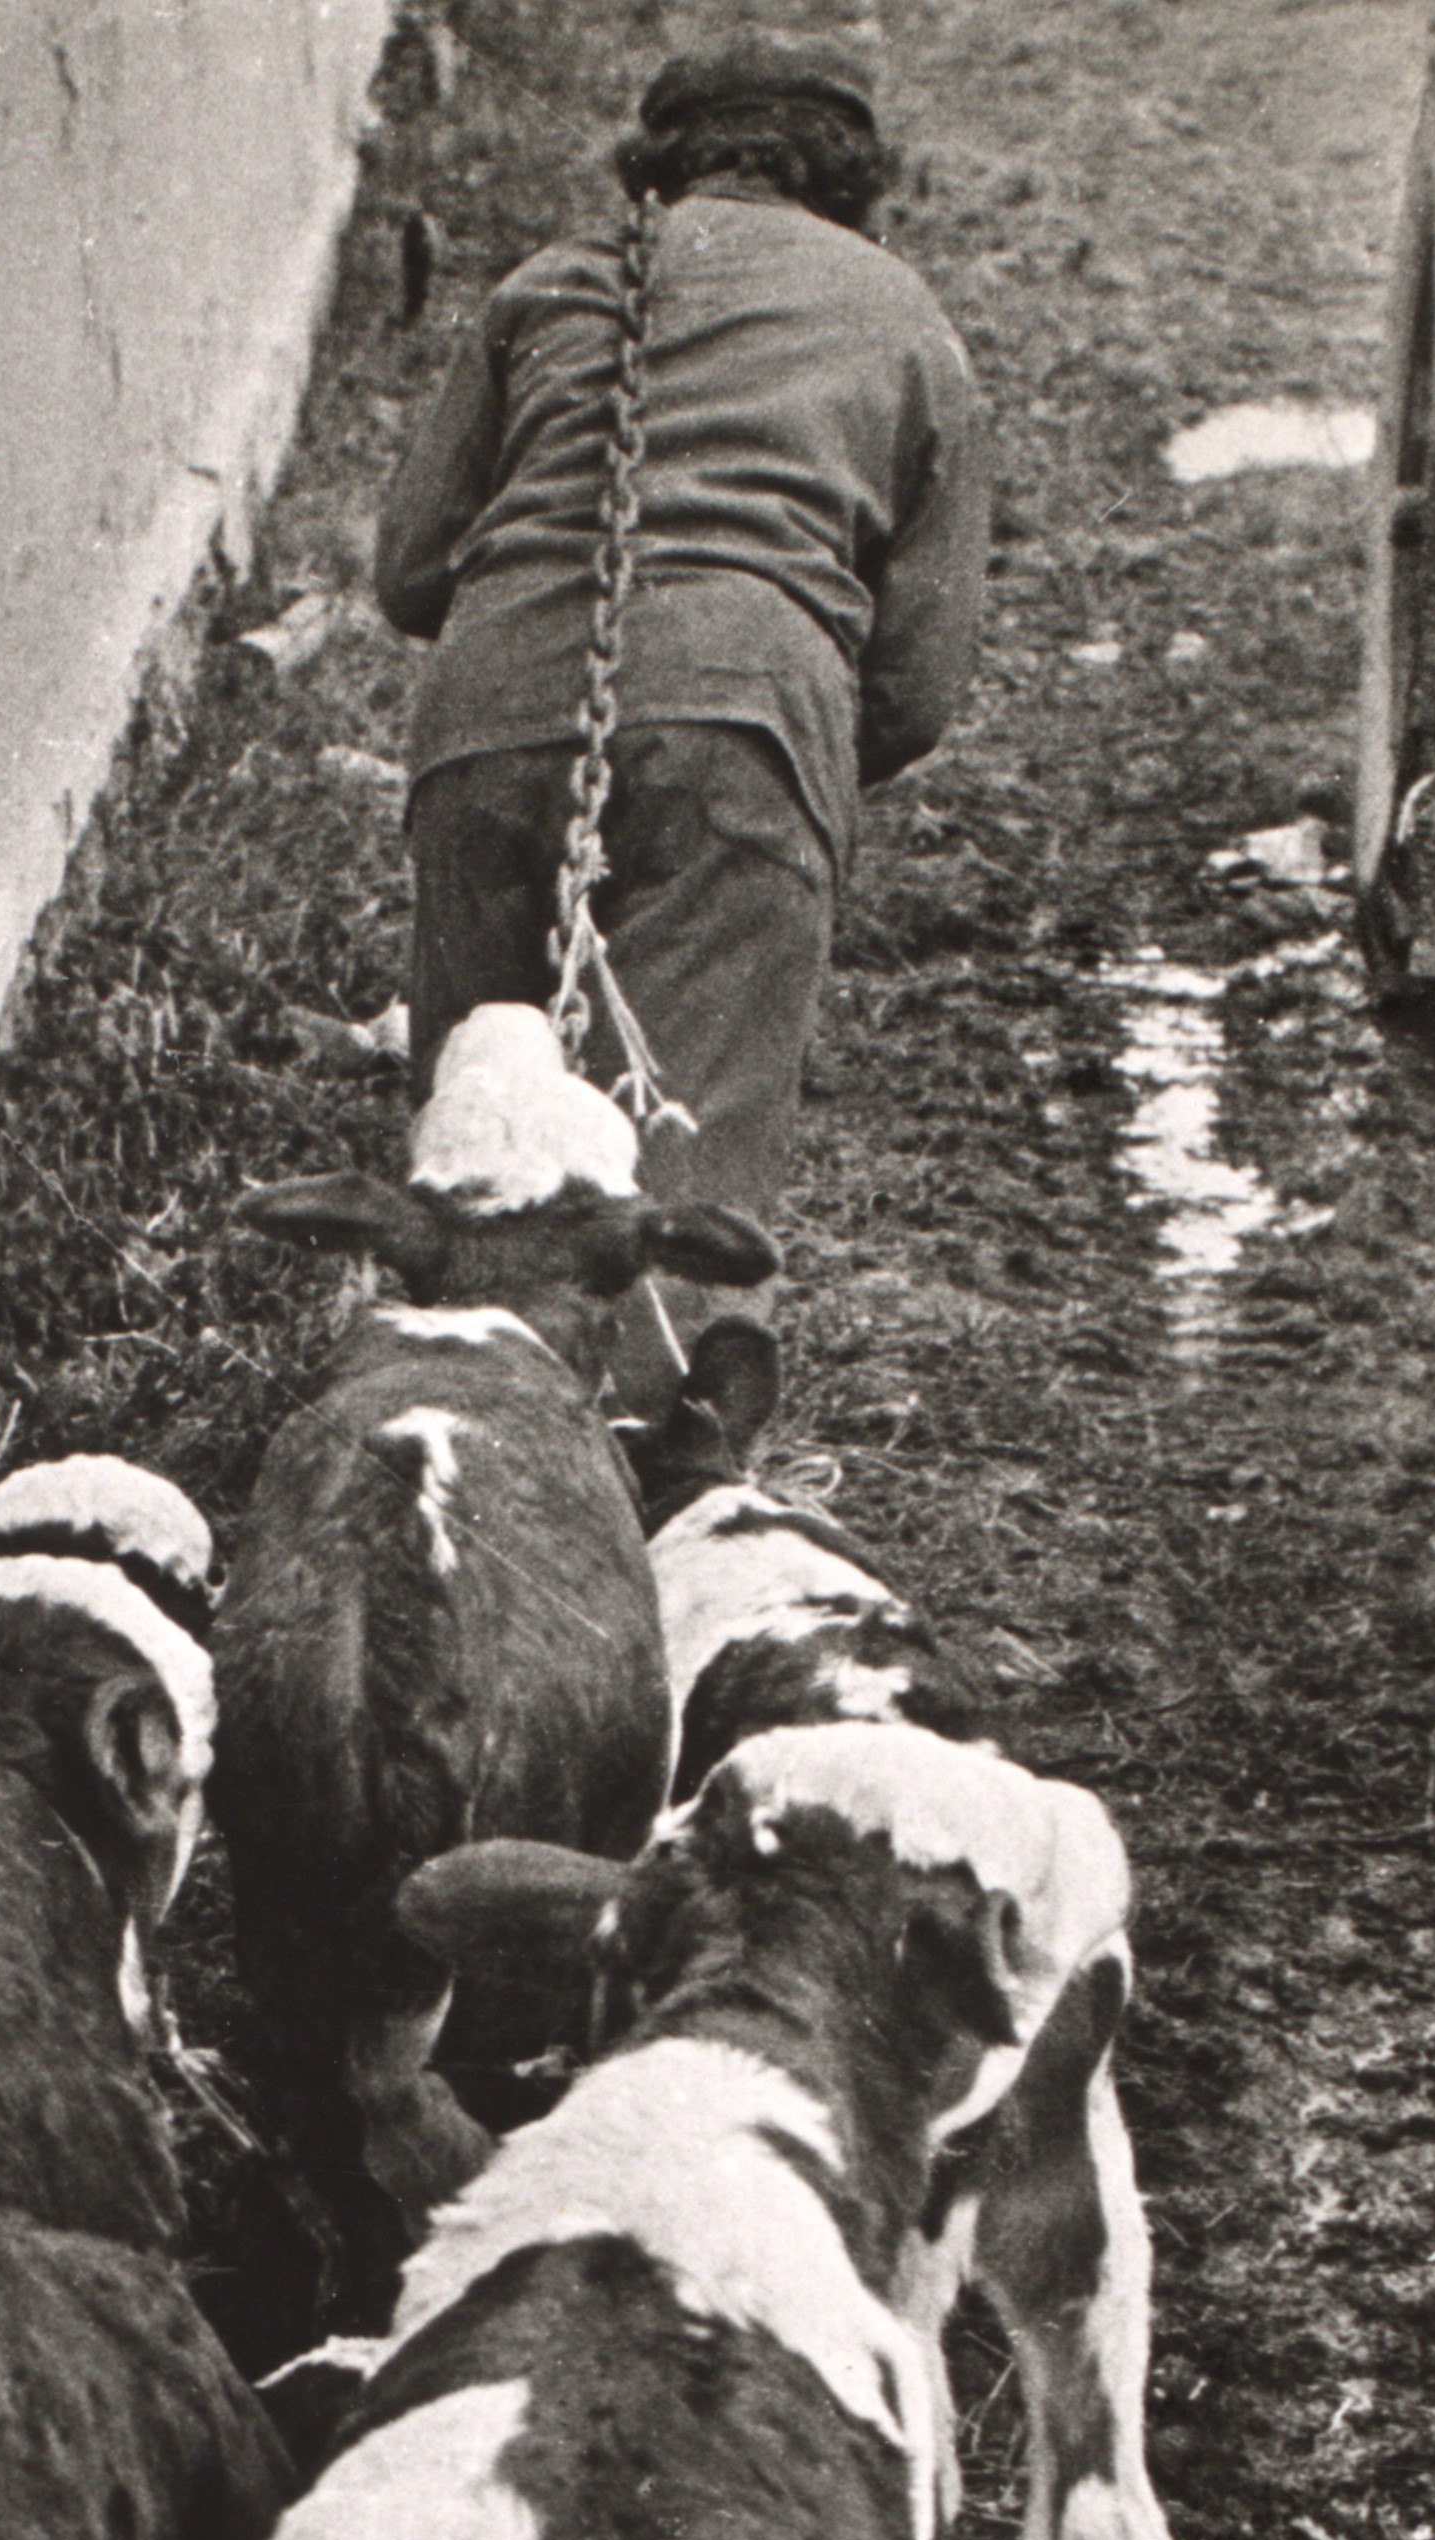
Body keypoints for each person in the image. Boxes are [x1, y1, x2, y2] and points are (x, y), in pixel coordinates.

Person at [374, 8, 989, 1490]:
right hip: (741, 726)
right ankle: (646, 1501)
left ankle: (437, 1490)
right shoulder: (903, 316)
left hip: (490, 714)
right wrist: (768, 769)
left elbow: (409, 570)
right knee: (673, 1172)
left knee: (477, 1147)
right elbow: (916, 685)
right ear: (853, 180)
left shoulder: (546, 284)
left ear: (654, 162)